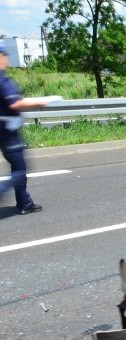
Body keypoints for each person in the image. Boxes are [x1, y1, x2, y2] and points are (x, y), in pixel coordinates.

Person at [1, 41, 48, 215]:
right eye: (3, 56)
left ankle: (25, 203)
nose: (6, 59)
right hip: (9, 133)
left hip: (4, 131)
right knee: (19, 170)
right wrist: (40, 102)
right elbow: (15, 103)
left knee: (18, 168)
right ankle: (22, 202)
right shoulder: (2, 80)